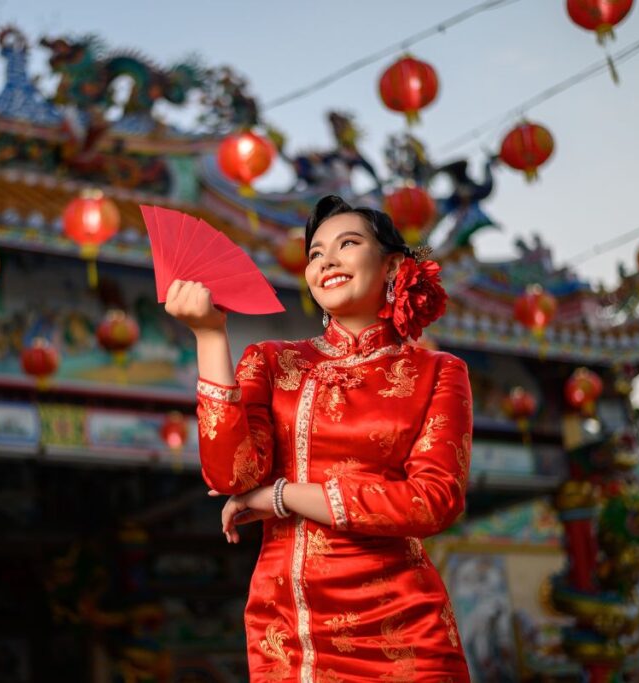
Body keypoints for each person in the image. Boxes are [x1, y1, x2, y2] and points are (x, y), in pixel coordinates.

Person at [165, 195, 472, 681]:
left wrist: (282, 497)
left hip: (405, 631)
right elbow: (232, 474)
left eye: (347, 244)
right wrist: (209, 337)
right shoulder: (272, 361)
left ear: (394, 264)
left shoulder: (438, 372)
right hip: (290, 633)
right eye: (314, 253)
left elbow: (434, 501)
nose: (326, 259)